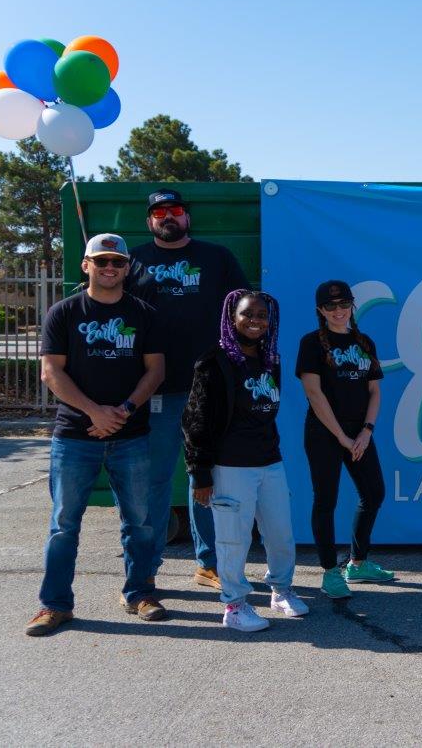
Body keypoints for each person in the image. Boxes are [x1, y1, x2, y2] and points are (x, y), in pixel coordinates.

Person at [26, 234, 167, 636]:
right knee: (64, 524)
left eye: (117, 262)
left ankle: (139, 593)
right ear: (86, 265)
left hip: (131, 433)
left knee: (139, 521)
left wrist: (122, 411)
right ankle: (55, 605)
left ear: (126, 268)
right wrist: (94, 412)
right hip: (74, 435)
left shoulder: (144, 314)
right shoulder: (64, 312)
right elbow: (51, 371)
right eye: (101, 261)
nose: (110, 268)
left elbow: (155, 371)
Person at [129, 187, 250, 592]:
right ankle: (144, 572)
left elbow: (244, 314)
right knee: (156, 482)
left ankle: (209, 564)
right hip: (157, 390)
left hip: (210, 388)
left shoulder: (216, 258)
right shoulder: (133, 262)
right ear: (150, 221)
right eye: (159, 212)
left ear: (187, 218)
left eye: (175, 210)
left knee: (208, 479)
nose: (168, 217)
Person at [182, 289, 308, 632]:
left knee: (281, 533)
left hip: (269, 461)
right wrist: (201, 473)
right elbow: (195, 420)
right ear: (231, 317)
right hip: (230, 466)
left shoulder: (271, 360)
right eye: (247, 314)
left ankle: (280, 590)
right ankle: (234, 606)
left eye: (261, 316)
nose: (255, 321)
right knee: (233, 539)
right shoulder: (213, 361)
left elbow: (267, 414)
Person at [296, 280, 395, 599]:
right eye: (331, 306)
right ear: (320, 310)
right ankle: (329, 572)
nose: (338, 311)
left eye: (344, 305)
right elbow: (313, 392)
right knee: (326, 500)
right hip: (325, 432)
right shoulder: (311, 343)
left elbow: (374, 390)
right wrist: (340, 435)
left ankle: (358, 562)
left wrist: (366, 431)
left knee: (374, 493)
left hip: (359, 432)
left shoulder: (364, 341)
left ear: (353, 306)